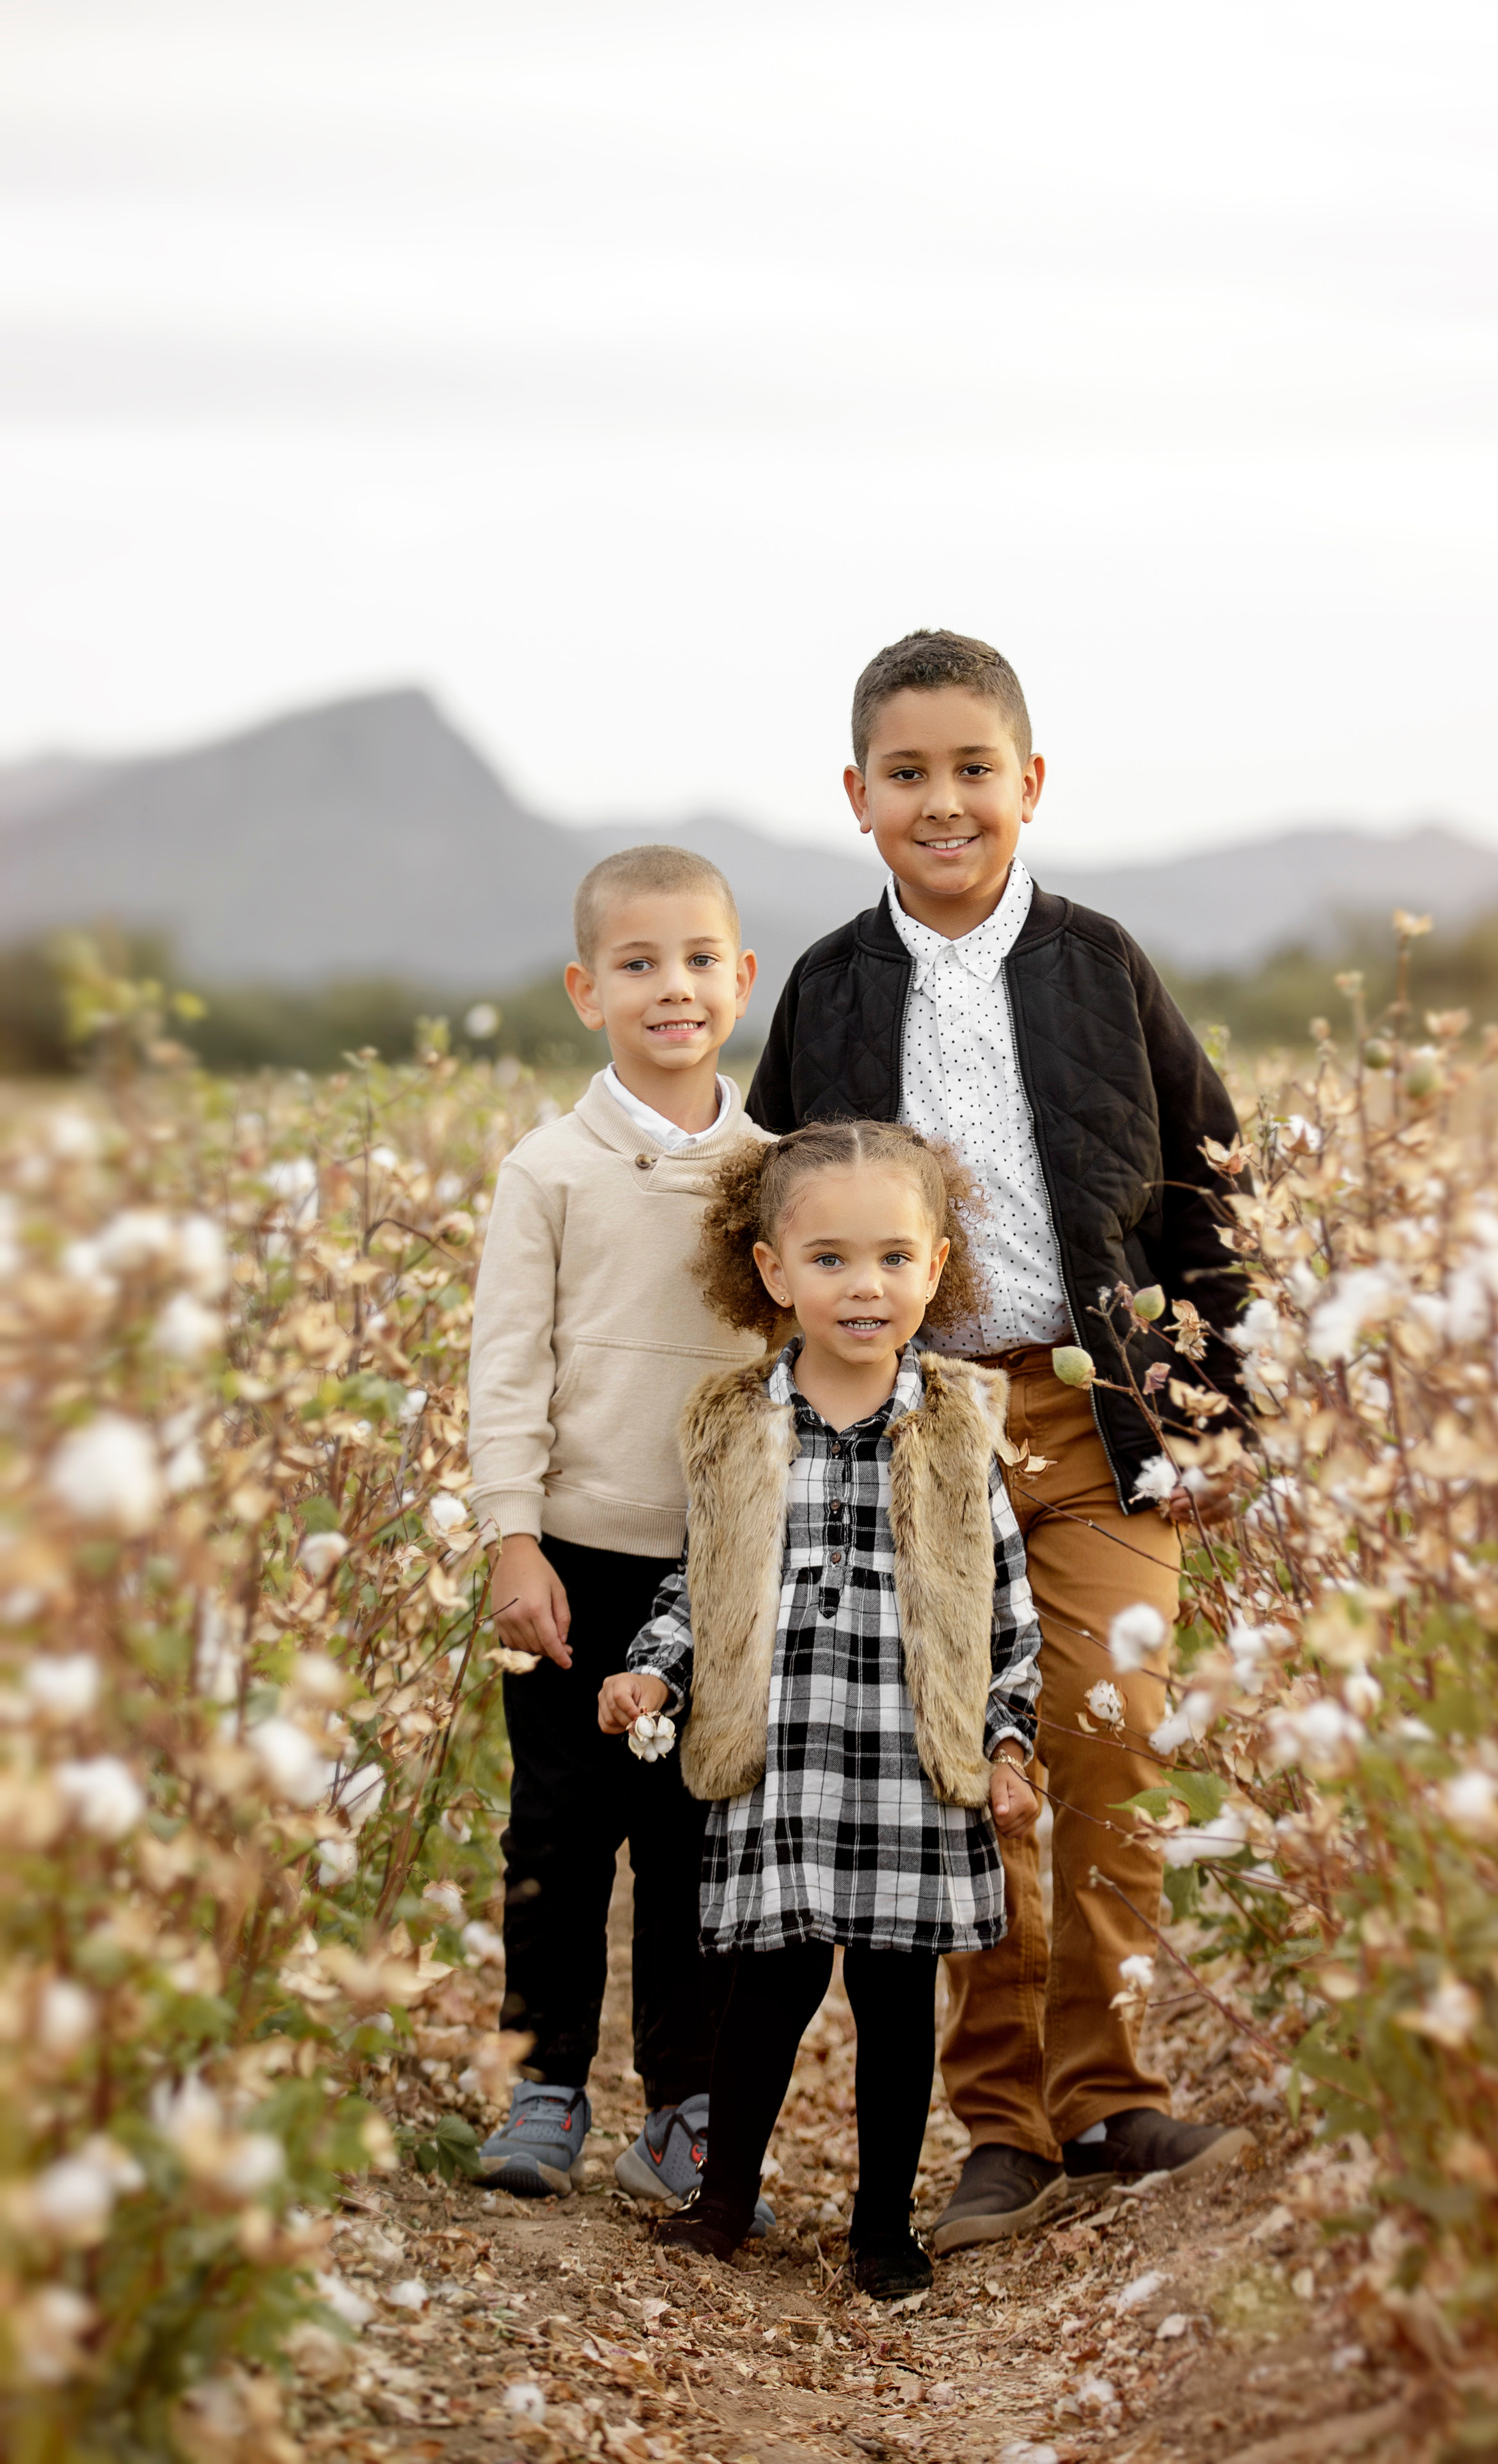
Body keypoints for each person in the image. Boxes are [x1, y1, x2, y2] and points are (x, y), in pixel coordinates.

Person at [748, 629, 1254, 2252]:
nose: (943, 801)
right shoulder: (828, 989)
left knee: (1108, 1739)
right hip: (923, 1428)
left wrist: (1221, 1412)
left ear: (1028, 785)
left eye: (973, 771)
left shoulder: (1102, 964)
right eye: (907, 775)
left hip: (1099, 1413)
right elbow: (763, 1216)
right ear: (856, 796)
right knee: (960, 1770)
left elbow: (1210, 1189)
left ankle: (1105, 2090)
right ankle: (1001, 2125)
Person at [599, 1120, 1042, 2299]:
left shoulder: (956, 1427)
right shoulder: (739, 1422)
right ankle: (727, 2198)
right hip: (785, 1757)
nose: (866, 1287)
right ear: (772, 1272)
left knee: (898, 2004)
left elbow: (1006, 1608)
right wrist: (655, 1670)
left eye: (896, 1259)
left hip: (910, 1758)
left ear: (937, 1270)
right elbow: (697, 1585)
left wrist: (1008, 1738)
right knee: (769, 1992)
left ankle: (882, 2227)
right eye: (832, 1259)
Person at [466, 844, 774, 2215]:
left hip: (719, 1564)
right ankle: (543, 2089)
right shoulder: (546, 1171)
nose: (674, 987)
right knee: (557, 1833)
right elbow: (506, 1368)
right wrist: (509, 1536)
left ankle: (687, 2111)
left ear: (742, 980)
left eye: (700, 960)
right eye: (640, 965)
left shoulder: (774, 1172)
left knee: (697, 1839)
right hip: (572, 1561)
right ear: (587, 991)